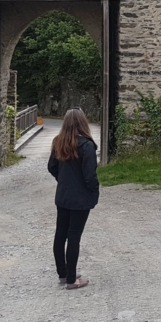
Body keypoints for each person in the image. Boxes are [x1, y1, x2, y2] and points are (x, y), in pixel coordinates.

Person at [47, 107, 99, 290]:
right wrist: (94, 192)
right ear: (82, 122)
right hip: (80, 198)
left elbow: (52, 167)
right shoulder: (87, 146)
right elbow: (90, 175)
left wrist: (62, 180)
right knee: (74, 237)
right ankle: (71, 279)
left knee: (60, 235)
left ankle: (63, 274)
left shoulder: (58, 142)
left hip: (63, 195)